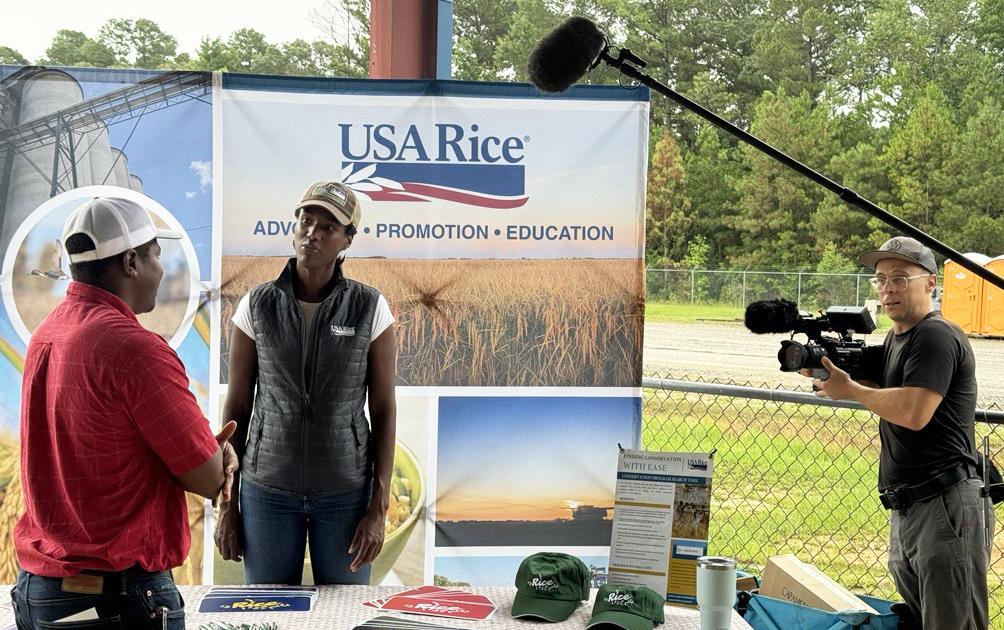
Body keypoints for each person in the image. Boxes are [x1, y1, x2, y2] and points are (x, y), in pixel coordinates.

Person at [11, 196, 238, 629]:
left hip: (42, 590)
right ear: (131, 262)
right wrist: (219, 457)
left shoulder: (47, 334)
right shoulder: (138, 351)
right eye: (157, 256)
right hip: (119, 600)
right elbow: (207, 479)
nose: (162, 269)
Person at [214, 181, 397, 585]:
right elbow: (237, 409)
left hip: (346, 496)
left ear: (348, 239)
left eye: (328, 227)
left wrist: (377, 508)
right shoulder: (256, 305)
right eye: (306, 220)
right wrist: (228, 507)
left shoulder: (371, 308)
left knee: (345, 616)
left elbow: (383, 410)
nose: (312, 233)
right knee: (269, 615)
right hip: (268, 494)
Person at [805, 236, 990, 630]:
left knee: (951, 623)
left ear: (931, 284)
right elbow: (885, 388)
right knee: (926, 620)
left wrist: (850, 390)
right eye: (881, 279)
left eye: (901, 278)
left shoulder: (935, 335)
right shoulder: (897, 337)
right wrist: (827, 371)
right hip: (910, 505)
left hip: (944, 502)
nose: (888, 289)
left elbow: (913, 410)